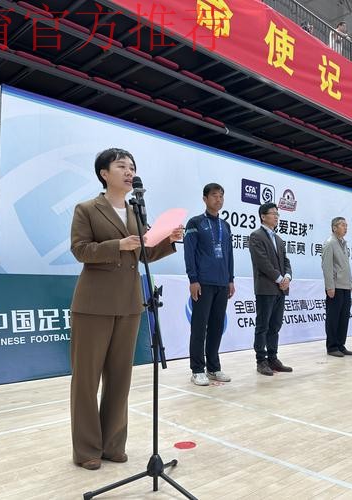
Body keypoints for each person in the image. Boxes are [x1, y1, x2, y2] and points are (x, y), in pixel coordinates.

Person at [69, 148, 184, 470]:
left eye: (132, 167)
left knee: (120, 378)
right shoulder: (87, 209)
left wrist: (168, 240)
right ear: (104, 173)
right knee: (86, 380)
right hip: (93, 304)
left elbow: (143, 255)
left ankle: (112, 444)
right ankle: (87, 450)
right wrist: (116, 245)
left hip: (130, 302)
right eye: (121, 166)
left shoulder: (136, 211)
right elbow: (80, 250)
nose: (129, 171)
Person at [184, 183, 235, 386]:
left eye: (221, 196)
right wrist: (193, 279)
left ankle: (213, 367)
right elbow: (189, 253)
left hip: (222, 283)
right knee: (199, 326)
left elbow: (229, 254)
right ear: (205, 198)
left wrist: (230, 279)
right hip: (203, 282)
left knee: (216, 326)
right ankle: (197, 369)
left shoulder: (225, 226)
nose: (218, 199)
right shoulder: (195, 223)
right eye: (214, 195)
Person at [248, 203, 293, 376]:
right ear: (263, 216)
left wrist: (287, 277)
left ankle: (273, 358)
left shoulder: (279, 239)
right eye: (273, 213)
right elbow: (262, 262)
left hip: (280, 290)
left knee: (275, 325)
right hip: (266, 288)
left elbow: (286, 261)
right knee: (263, 326)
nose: (276, 216)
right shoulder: (256, 236)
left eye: (277, 214)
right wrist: (279, 279)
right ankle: (261, 360)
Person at [321, 217, 352, 357]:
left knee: (343, 317)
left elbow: (345, 266)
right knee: (333, 318)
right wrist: (330, 286)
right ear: (334, 228)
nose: (346, 228)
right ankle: (332, 346)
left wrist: (349, 283)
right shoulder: (330, 243)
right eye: (342, 225)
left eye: (346, 225)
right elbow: (327, 266)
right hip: (335, 286)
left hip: (345, 286)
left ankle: (341, 344)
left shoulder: (343, 243)